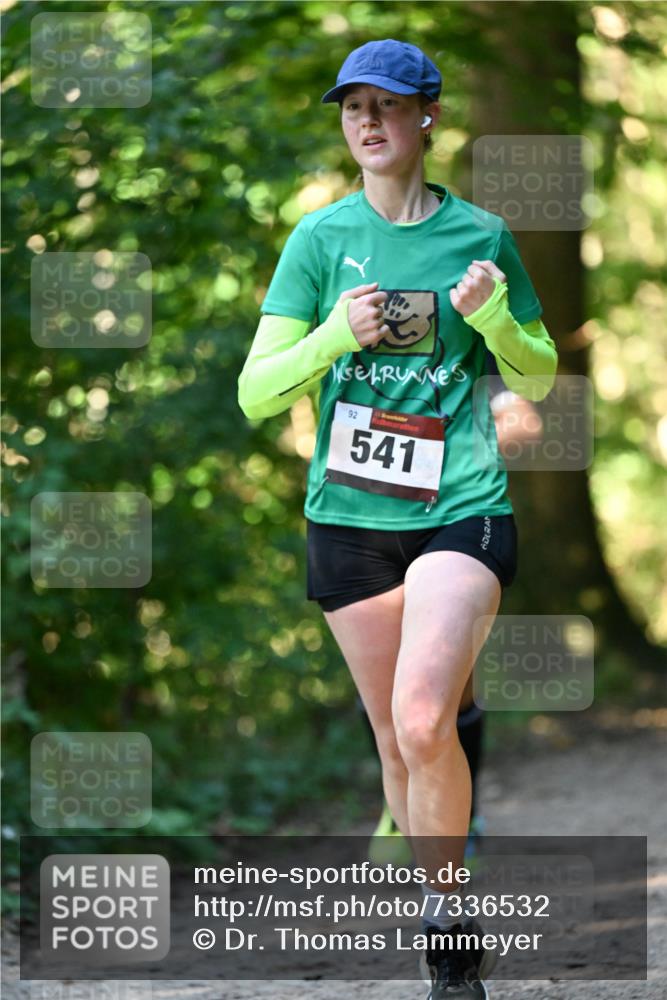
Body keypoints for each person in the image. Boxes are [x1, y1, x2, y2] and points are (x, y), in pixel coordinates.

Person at [238, 38, 557, 1000]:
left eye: (386, 104)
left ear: (428, 115)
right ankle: (442, 910)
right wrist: (336, 334)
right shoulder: (317, 239)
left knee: (424, 719)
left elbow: (540, 372)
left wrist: (493, 321)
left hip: (460, 505)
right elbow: (256, 392)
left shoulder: (481, 234)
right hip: (349, 519)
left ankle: (449, 931)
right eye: (352, 108)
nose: (367, 122)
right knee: (394, 740)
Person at [362, 351, 545, 869]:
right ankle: (400, 800)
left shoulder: (471, 343)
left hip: (456, 528)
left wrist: (450, 448)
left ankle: (462, 817)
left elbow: (524, 424)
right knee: (381, 679)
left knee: (449, 687)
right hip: (366, 530)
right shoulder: (353, 341)